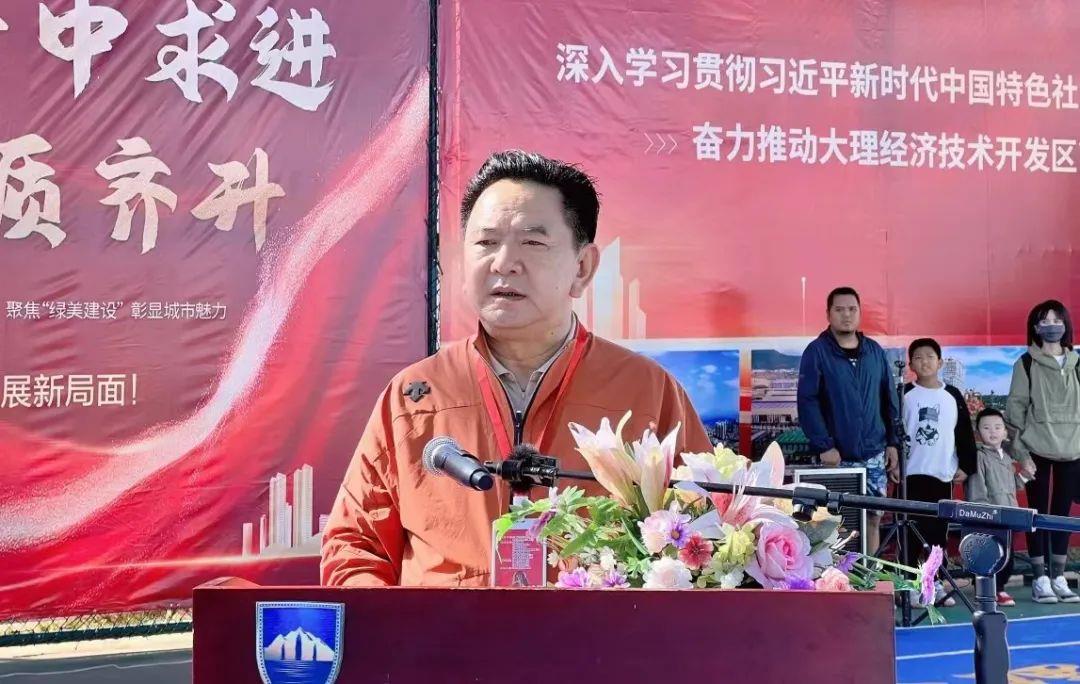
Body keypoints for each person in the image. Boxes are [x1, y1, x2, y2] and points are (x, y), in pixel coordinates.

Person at [321, 150, 712, 587]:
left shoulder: (647, 391)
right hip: (443, 632)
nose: (503, 262)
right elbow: (355, 547)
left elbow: (702, 539)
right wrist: (404, 626)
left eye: (532, 242)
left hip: (593, 632)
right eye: (486, 242)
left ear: (582, 268)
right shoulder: (415, 394)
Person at [797, 286, 900, 554]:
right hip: (836, 457)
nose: (846, 315)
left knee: (874, 517)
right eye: (839, 309)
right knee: (835, 523)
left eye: (852, 309)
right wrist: (824, 445)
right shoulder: (817, 352)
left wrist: (892, 443)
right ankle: (837, 576)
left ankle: (869, 571)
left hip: (874, 454)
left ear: (860, 312)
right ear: (828, 314)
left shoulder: (874, 351)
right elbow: (808, 402)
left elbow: (889, 399)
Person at [1005, 300, 1080, 604]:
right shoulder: (1026, 363)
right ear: (1035, 328)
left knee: (1062, 515)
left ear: (1066, 325)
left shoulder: (1077, 363)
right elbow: (1015, 410)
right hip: (1036, 450)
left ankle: (1059, 576)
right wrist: (1021, 454)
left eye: (1056, 320)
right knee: (1035, 514)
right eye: (1044, 321)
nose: (1051, 326)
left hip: (1072, 451)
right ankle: (1040, 578)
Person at [902, 338, 977, 607]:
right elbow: (893, 430)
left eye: (930, 356)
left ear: (940, 362)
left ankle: (933, 581)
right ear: (911, 365)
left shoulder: (952, 395)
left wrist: (966, 465)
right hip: (910, 473)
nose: (924, 361)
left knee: (937, 534)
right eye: (918, 357)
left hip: (942, 474)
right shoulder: (904, 393)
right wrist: (894, 464)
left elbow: (964, 432)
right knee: (910, 532)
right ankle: (909, 585)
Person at [966, 408, 1023, 607]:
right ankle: (987, 590)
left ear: (1005, 432)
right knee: (988, 554)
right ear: (978, 432)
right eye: (987, 427)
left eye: (998, 427)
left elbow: (1013, 486)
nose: (993, 431)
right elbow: (977, 488)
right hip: (989, 516)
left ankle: (1000, 588)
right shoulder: (979, 456)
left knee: (1007, 555)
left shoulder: (1006, 458)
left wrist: (1024, 476)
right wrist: (983, 513)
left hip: (1009, 515)